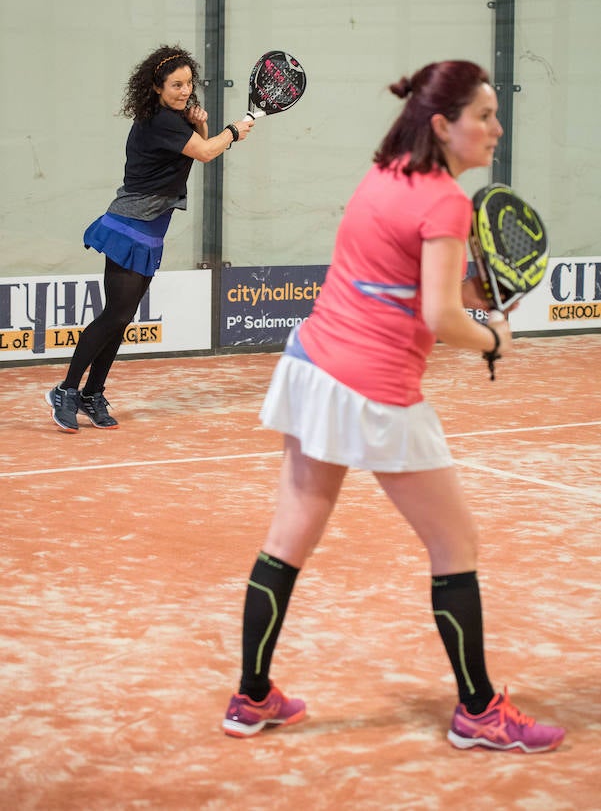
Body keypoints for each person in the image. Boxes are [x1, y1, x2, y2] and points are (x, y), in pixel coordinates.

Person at [222, 60, 565, 753]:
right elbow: (441, 316)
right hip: (373, 390)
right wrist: (492, 338)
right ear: (442, 125)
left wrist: (475, 299)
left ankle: (250, 697)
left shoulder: (384, 175)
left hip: (312, 367)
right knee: (454, 544)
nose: (495, 130)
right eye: (484, 116)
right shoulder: (445, 201)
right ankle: (477, 711)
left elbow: (408, 285)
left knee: (287, 540)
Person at [46, 44, 253, 432]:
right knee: (115, 315)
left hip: (150, 230)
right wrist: (233, 131)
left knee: (121, 318)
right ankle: (66, 390)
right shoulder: (162, 121)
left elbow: (195, 151)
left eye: (189, 83)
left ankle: (91, 394)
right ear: (157, 86)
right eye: (176, 84)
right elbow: (207, 153)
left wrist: (205, 126)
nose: (184, 90)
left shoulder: (172, 120)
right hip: (128, 228)